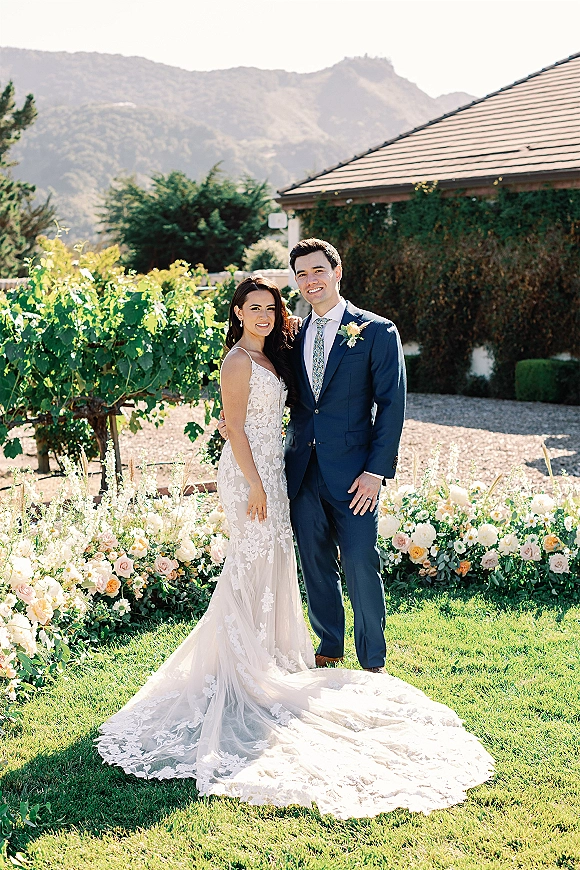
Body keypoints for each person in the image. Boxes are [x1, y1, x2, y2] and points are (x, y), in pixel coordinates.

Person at [97, 275, 493, 817]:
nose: (266, 312)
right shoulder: (241, 360)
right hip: (257, 476)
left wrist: (375, 470)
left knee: (314, 564)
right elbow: (234, 428)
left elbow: (387, 405)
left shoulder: (333, 336)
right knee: (252, 566)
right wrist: (257, 483)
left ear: (333, 275)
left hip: (300, 473)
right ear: (236, 313)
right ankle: (246, 664)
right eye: (253, 307)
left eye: (270, 305)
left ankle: (345, 658)